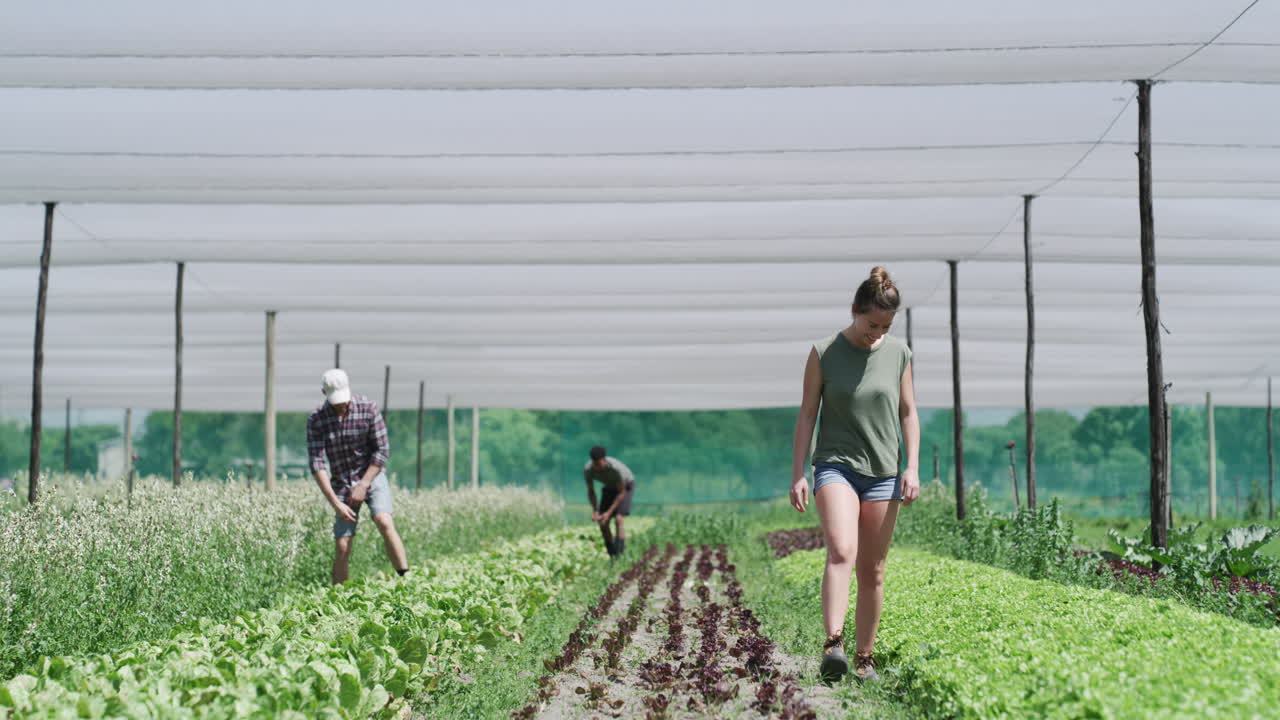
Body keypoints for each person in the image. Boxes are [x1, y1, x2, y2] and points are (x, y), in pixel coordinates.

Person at [789, 266, 920, 683]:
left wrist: (912, 466)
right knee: (842, 550)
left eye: (885, 325)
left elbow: (908, 412)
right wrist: (799, 472)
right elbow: (808, 414)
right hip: (835, 465)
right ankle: (833, 645)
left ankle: (865, 659)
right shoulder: (824, 352)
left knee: (874, 569)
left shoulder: (898, 353)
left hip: (884, 471)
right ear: (854, 311)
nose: (876, 333)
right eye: (870, 324)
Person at [307, 368, 409, 584]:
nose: (340, 406)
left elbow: (381, 451)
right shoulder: (317, 420)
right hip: (341, 483)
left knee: (383, 520)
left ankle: (405, 576)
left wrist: (364, 483)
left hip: (370, 474)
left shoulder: (368, 409)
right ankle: (339, 597)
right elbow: (317, 464)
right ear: (324, 393)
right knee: (343, 543)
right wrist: (336, 504)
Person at [584, 445, 634, 559]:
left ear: (604, 460)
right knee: (602, 522)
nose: (598, 468)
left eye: (599, 464)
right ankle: (612, 555)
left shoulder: (616, 469)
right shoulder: (588, 470)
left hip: (625, 485)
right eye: (595, 464)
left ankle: (620, 555)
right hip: (609, 486)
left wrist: (609, 512)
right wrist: (595, 511)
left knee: (618, 519)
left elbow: (621, 492)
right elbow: (591, 491)